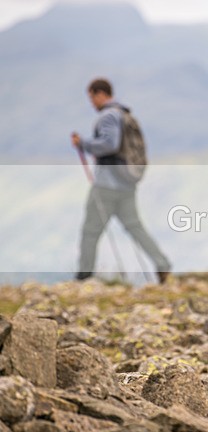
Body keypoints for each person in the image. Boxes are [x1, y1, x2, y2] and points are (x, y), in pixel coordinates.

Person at [71, 78, 171, 284]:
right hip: (126, 183)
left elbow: (110, 144)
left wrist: (84, 144)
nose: (92, 103)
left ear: (100, 94)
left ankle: (84, 276)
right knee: (135, 227)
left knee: (90, 231)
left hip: (106, 184)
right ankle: (162, 264)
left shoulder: (108, 116)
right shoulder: (125, 114)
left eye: (92, 98)